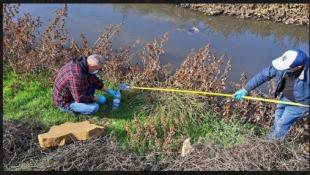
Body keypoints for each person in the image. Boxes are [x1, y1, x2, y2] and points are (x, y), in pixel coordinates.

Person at [233, 49, 309, 141]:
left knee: (282, 124)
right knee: (277, 121)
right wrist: (245, 89)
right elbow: (263, 75)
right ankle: (272, 137)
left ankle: (271, 145)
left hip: (299, 104)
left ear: (298, 67)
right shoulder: (282, 65)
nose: (281, 69)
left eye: (286, 68)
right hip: (284, 98)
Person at [53, 54, 118, 115]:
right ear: (92, 67)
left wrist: (108, 90)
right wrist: (96, 98)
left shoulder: (82, 63)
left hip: (74, 90)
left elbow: (94, 79)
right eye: (97, 69)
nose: (98, 71)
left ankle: (90, 98)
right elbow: (80, 98)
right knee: (94, 107)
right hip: (65, 101)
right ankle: (69, 109)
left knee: (91, 82)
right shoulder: (77, 76)